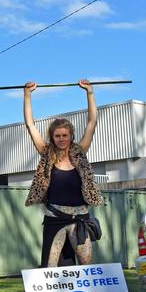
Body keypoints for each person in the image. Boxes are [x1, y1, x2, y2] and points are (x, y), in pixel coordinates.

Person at [23, 80, 103, 268]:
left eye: (64, 135)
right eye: (57, 136)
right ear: (52, 137)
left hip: (80, 219)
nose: (61, 139)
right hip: (55, 218)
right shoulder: (46, 153)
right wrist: (27, 95)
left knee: (86, 266)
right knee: (49, 267)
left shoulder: (80, 152)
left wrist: (90, 93)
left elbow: (92, 122)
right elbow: (30, 125)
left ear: (71, 136)